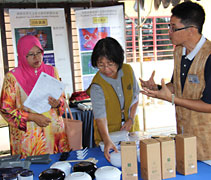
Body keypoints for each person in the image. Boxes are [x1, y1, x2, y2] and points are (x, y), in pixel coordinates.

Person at [140, 1, 211, 161]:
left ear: (191, 30)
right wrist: (158, 89)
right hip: (184, 134)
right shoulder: (179, 51)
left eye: (173, 27)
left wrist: (172, 99)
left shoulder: (209, 56)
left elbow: (209, 104)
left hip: (207, 142)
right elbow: (177, 86)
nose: (169, 32)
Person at [0, 35, 70, 158]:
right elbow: (6, 109)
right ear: (22, 55)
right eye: (30, 54)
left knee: (58, 169)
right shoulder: (12, 78)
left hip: (55, 133)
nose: (36, 57)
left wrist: (58, 103)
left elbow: (62, 99)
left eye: (39, 52)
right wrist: (31, 116)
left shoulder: (52, 71)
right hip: (30, 139)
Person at [86, 37, 140, 161]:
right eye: (101, 65)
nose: (106, 69)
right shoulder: (97, 85)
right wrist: (107, 141)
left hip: (130, 129)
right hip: (109, 134)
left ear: (118, 60)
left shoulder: (127, 70)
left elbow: (135, 97)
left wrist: (131, 119)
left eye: (110, 64)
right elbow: (100, 117)